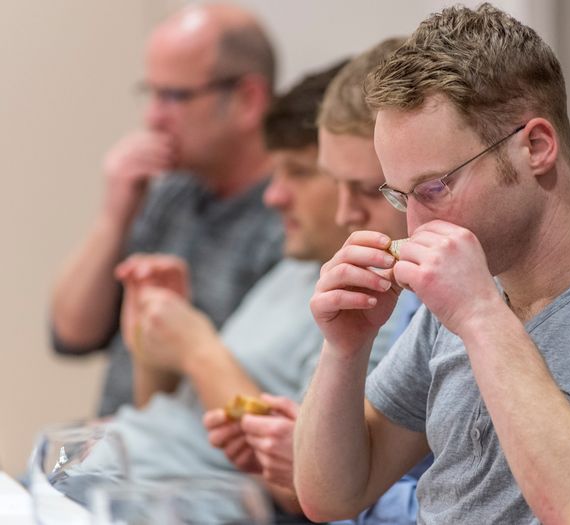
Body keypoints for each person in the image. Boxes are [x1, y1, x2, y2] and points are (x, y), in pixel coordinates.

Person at [293, 4, 570, 524]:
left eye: (434, 188)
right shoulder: (465, 293)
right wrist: (345, 350)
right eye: (401, 196)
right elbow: (330, 495)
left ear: (535, 146)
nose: (414, 227)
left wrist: (483, 319)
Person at [50, 60, 406, 523]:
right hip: (106, 477)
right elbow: (165, 417)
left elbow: (309, 488)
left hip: (152, 503)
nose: (273, 196)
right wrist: (154, 344)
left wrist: (199, 350)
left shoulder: (379, 308)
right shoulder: (293, 270)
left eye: (298, 172)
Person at [204, 38, 430, 525]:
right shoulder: (413, 303)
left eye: (370, 190)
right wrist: (311, 446)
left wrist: (314, 462)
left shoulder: (448, 305)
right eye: (334, 183)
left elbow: (471, 508)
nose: (345, 213)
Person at [50, 3, 283, 416]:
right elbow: (71, 336)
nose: (152, 117)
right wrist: (114, 216)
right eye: (151, 92)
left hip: (193, 467)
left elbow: (256, 406)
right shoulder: (172, 190)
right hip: (110, 451)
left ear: (248, 100)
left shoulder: (287, 217)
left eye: (173, 96)